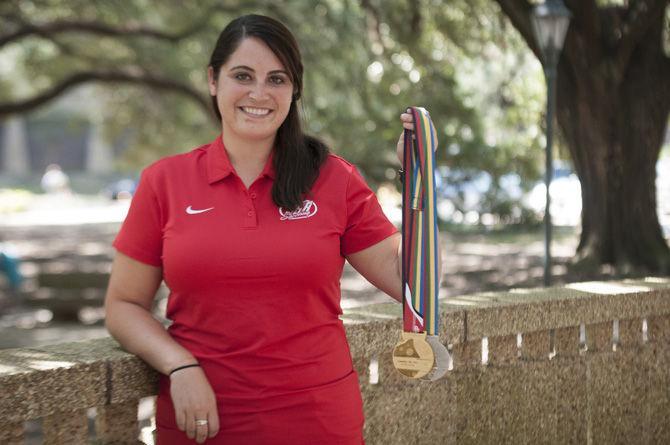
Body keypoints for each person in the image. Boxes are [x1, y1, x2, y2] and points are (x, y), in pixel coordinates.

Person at [104, 14, 436, 445]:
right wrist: (179, 364)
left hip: (318, 421)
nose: (258, 93)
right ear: (213, 80)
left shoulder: (334, 179)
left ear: (294, 90)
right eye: (243, 75)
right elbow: (123, 305)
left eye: (276, 79)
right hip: (202, 421)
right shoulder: (164, 182)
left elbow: (416, 284)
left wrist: (420, 179)